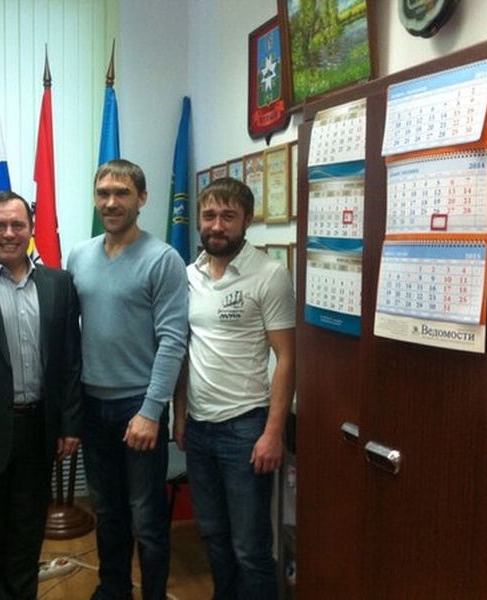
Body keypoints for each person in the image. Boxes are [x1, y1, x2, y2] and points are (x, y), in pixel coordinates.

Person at [0, 190, 82, 600]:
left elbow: (70, 359)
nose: (9, 233)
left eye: (17, 224)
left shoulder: (59, 284)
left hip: (39, 431)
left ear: (31, 228)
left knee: (26, 539)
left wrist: (69, 424)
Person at [67, 159, 189, 600]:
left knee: (146, 516)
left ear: (142, 198)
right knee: (107, 510)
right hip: (92, 405)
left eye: (121, 193)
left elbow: (173, 340)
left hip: (138, 405)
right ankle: (113, 589)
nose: (111, 202)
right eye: (103, 193)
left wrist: (152, 411)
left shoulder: (163, 259)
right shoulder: (79, 256)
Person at [173, 177, 296, 600]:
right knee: (213, 536)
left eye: (228, 216)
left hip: (245, 428)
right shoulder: (188, 276)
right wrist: (179, 416)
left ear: (247, 219)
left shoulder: (269, 275)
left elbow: (287, 358)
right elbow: (185, 352)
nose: (217, 225)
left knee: (250, 548)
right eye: (209, 215)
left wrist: (272, 433)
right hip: (199, 428)